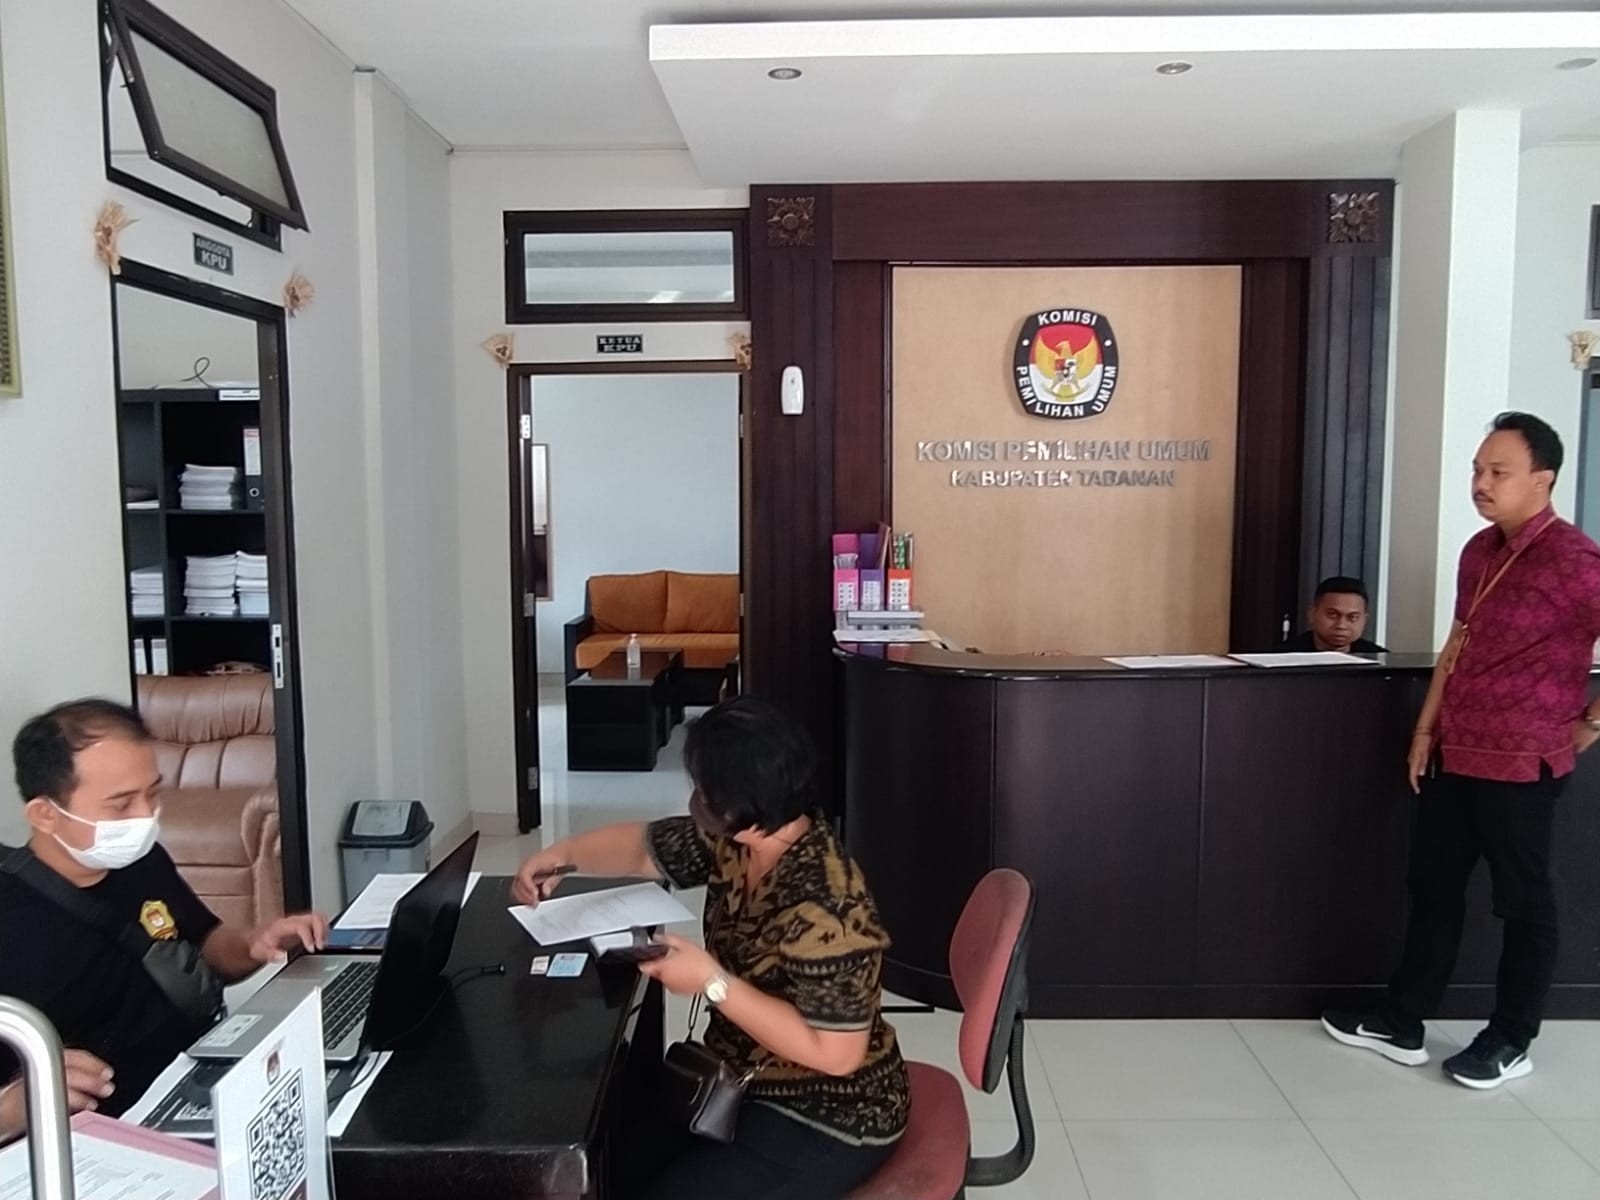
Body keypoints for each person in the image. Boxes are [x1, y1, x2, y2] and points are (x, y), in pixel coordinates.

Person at [513, 697, 908, 1200]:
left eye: (705, 789)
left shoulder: (827, 903)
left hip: (830, 1111)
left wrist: (712, 983)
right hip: (739, 1076)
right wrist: (561, 855)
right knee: (605, 1168)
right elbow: (642, 848)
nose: (696, 799)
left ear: (746, 800)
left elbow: (837, 1054)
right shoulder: (743, 841)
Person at [1323, 412, 1600, 1089]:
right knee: (1433, 887)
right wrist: (1425, 730)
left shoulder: (1575, 559)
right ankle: (1403, 1019)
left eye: (1498, 472)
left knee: (1523, 903)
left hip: (1524, 764)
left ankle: (1511, 1036)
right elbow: (1457, 645)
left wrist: (1591, 723)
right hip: (1455, 753)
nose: (1481, 483)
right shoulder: (1479, 550)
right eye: (1478, 469)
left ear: (1542, 479)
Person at [0, 699, 329, 1141]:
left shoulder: (142, 861)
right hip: (103, 1136)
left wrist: (254, 943)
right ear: (45, 814)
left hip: (200, 1084)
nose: (145, 816)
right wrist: (14, 1108)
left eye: (152, 794)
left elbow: (208, 946)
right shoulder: (11, 915)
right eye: (120, 805)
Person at [1286, 576, 1387, 653]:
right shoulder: (1283, 657)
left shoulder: (1380, 660)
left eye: (1352, 617)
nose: (1341, 625)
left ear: (1365, 621)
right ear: (1312, 615)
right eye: (1332, 615)